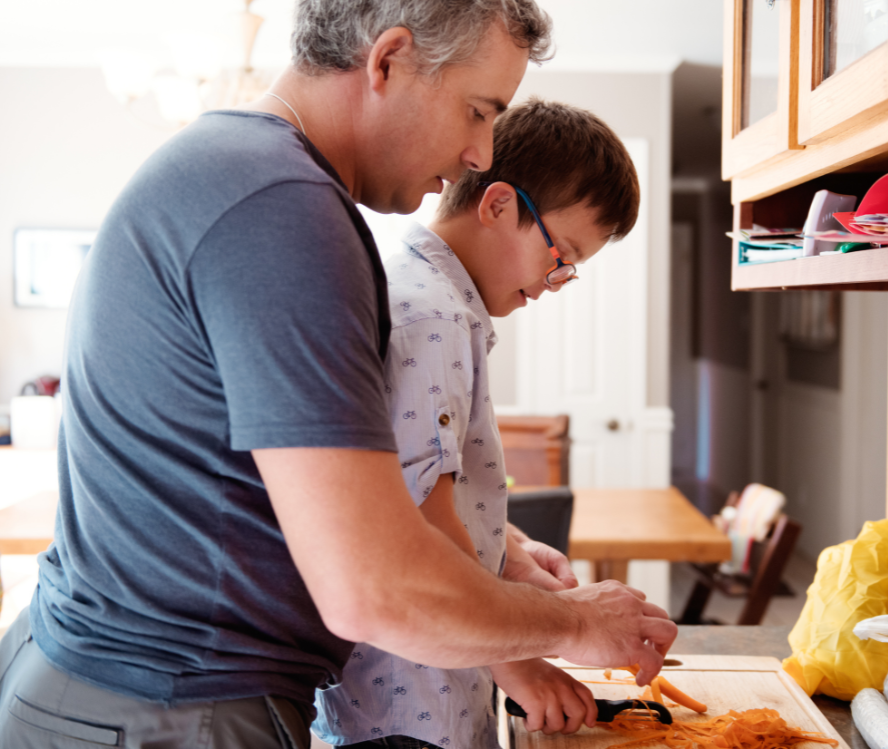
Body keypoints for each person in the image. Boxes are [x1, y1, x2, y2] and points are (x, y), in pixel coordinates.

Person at [0, 1, 677, 746]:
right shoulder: (283, 213)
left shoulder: (242, 173)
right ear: (386, 61)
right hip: (168, 703)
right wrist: (575, 624)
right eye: (477, 111)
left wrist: (501, 548)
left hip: (111, 680)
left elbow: (336, 487)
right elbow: (374, 588)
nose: (481, 153)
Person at [314, 98, 642, 749]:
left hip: (419, 684)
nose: (559, 279)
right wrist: (520, 662)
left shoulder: (433, 299)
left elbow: (421, 480)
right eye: (562, 251)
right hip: (407, 701)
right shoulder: (431, 316)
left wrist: (508, 548)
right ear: (495, 205)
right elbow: (418, 530)